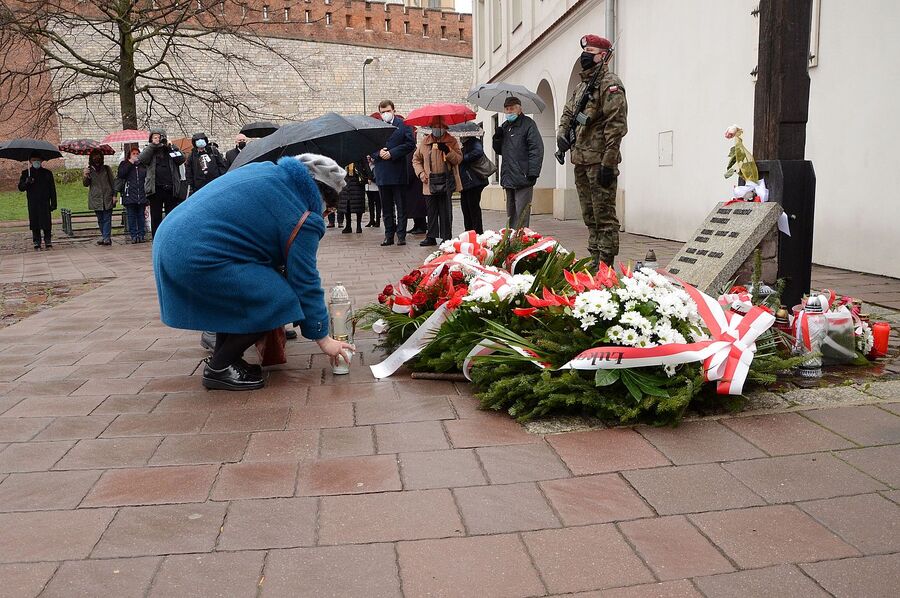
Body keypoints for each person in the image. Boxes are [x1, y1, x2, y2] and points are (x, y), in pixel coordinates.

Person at [153, 153, 354, 391]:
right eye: (329, 209)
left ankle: (227, 360)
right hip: (196, 254)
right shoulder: (303, 215)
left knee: (242, 294)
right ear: (324, 197)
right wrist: (322, 337)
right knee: (278, 299)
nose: (326, 215)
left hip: (172, 242)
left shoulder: (270, 173)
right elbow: (304, 280)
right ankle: (219, 367)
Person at [557, 34, 627, 268]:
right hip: (581, 160)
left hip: (600, 161)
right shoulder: (581, 86)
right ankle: (594, 260)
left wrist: (608, 162)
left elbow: (616, 125)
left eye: (591, 51)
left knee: (604, 216)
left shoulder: (610, 84)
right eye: (585, 50)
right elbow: (568, 113)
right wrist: (562, 133)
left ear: (604, 56)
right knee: (589, 216)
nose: (585, 55)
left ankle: (605, 265)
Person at [492, 96, 544, 229]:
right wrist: (497, 138)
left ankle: (521, 241)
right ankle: (511, 241)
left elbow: (536, 149)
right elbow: (499, 151)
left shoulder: (528, 124)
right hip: (509, 177)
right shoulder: (504, 127)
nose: (509, 112)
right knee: (511, 214)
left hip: (523, 176)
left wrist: (533, 172)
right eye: (507, 109)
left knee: (522, 214)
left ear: (519, 109)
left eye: (512, 109)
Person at [371, 100, 415, 246]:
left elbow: (410, 144)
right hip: (382, 173)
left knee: (401, 206)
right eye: (382, 112)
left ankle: (401, 235)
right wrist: (378, 152)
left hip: (398, 172)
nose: (385, 114)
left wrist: (392, 153)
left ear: (394, 110)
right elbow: (368, 145)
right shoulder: (375, 126)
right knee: (386, 207)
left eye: (387, 111)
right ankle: (388, 235)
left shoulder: (404, 125)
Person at [412, 117, 462, 246]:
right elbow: (416, 159)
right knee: (431, 211)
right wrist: (421, 173)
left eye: (439, 126)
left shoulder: (452, 141)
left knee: (445, 210)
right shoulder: (425, 142)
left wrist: (447, 150)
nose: (436, 129)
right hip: (429, 182)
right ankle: (431, 236)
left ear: (445, 128)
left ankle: (446, 237)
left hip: (446, 181)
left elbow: (458, 159)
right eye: (434, 126)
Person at [139, 128, 185, 237]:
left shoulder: (170, 149)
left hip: (171, 188)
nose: (157, 139)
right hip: (155, 189)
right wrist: (153, 146)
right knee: (156, 217)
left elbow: (181, 159)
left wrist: (172, 147)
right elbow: (143, 159)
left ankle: (171, 236)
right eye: (155, 137)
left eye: (159, 137)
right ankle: (156, 238)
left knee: (171, 215)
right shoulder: (149, 150)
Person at [18, 155, 56, 250]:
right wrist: (27, 182)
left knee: (46, 222)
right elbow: (21, 188)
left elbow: (52, 189)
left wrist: (54, 202)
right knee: (35, 222)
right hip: (33, 202)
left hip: (44, 201)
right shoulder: (26, 173)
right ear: (30, 161)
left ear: (42, 161)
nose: (36, 161)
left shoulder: (47, 173)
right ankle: (36, 241)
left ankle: (48, 240)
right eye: (34, 160)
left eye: (38, 160)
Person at [83, 148, 117, 246]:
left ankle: (106, 237)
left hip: (107, 197)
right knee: (100, 219)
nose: (96, 158)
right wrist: (85, 175)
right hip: (96, 198)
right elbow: (85, 184)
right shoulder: (89, 170)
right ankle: (105, 236)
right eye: (94, 156)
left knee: (107, 218)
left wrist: (114, 195)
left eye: (98, 156)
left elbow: (113, 182)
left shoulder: (106, 169)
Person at [458, 131, 489, 234]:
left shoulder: (474, 142)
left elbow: (478, 152)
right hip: (466, 183)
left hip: (474, 182)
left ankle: (477, 233)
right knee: (465, 209)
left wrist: (464, 157)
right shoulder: (465, 145)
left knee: (473, 209)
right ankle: (469, 232)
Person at [118, 147, 149, 243]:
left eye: (137, 153)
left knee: (141, 216)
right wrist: (130, 162)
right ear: (129, 155)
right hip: (129, 195)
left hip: (141, 195)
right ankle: (133, 235)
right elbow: (121, 174)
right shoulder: (124, 164)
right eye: (133, 154)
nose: (136, 155)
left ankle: (141, 234)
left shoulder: (143, 165)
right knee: (131, 216)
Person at [339, 161, 368, 234]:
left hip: (357, 181)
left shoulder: (359, 153)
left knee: (358, 204)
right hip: (345, 181)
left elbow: (365, 164)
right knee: (347, 204)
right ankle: (348, 226)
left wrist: (369, 176)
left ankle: (359, 226)